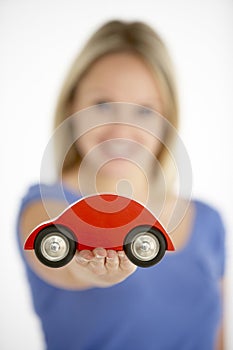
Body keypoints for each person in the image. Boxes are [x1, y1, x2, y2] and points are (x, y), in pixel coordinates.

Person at [17, 20, 226, 349]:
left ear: (166, 119)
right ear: (72, 107)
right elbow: (67, 267)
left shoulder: (209, 222)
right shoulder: (44, 205)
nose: (121, 127)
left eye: (144, 110)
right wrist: (94, 270)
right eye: (102, 104)